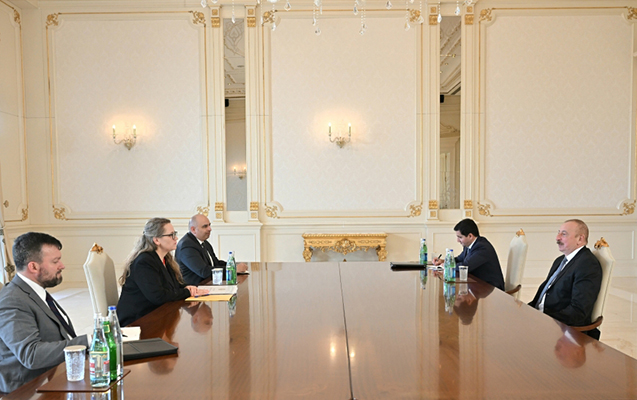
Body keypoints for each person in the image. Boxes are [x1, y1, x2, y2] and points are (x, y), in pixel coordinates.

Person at [0, 232, 88, 393]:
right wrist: (88, 341)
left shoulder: (34, 291)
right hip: (28, 390)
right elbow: (31, 355)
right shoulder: (12, 300)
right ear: (33, 267)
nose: (62, 265)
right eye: (55, 261)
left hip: (53, 376)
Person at [117, 218, 206, 327]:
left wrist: (189, 287)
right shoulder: (144, 262)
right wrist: (187, 292)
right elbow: (158, 296)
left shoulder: (165, 258)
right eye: (171, 235)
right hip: (136, 321)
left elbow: (174, 286)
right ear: (156, 240)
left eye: (175, 234)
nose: (176, 238)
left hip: (155, 315)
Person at [529, 219, 602, 339]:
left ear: (580, 239)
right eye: (558, 233)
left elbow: (578, 311)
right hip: (541, 320)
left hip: (562, 332)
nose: (557, 238)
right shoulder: (560, 261)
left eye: (564, 234)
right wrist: (526, 312)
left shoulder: (587, 264)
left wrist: (542, 319)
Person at [433, 218, 505, 290]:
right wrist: (444, 261)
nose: (458, 240)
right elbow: (459, 259)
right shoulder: (469, 245)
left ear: (470, 236)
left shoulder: (482, 247)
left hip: (491, 288)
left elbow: (465, 266)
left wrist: (447, 265)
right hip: (478, 285)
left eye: (460, 237)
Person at [175, 214, 247, 285]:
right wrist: (232, 269)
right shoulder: (187, 246)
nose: (210, 229)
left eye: (209, 225)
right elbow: (204, 272)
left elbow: (216, 263)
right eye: (205, 226)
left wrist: (234, 266)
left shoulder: (204, 242)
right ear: (193, 229)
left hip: (207, 284)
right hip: (194, 288)